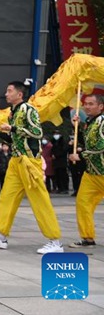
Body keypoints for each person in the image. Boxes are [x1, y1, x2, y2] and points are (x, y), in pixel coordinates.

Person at [0, 81, 63, 254]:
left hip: (29, 161)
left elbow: (37, 133)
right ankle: (0, 236)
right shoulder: (13, 113)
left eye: (9, 91)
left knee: (39, 200)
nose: (6, 94)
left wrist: (14, 128)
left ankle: (55, 241)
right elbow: (12, 138)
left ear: (19, 94)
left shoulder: (28, 110)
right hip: (15, 161)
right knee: (6, 198)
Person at [68, 94, 104, 248]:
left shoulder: (102, 122)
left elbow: (101, 146)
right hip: (91, 173)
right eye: (85, 104)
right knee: (83, 203)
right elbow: (86, 142)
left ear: (101, 106)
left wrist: (81, 155)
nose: (87, 107)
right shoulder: (89, 122)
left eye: (91, 104)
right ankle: (87, 237)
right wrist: (77, 126)